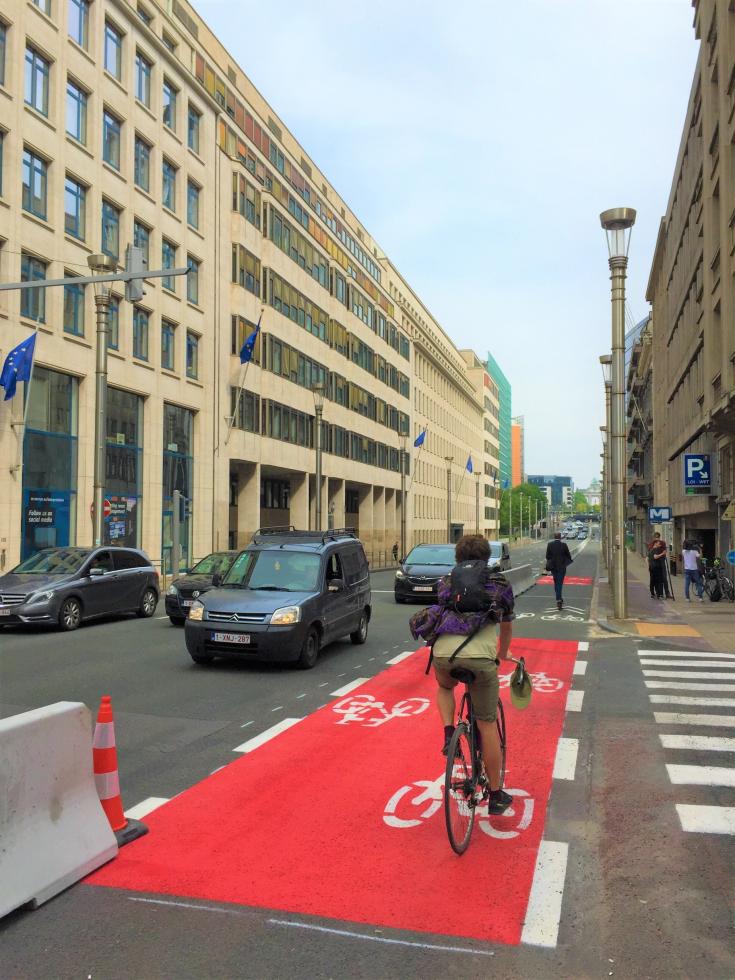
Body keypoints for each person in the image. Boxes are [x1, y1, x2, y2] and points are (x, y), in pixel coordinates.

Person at [409, 534, 515, 815]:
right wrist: (502, 655)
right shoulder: (499, 583)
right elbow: (506, 625)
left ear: (457, 558)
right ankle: (495, 794)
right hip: (481, 657)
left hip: (444, 654)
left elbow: (441, 609)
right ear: (486, 557)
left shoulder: (447, 581)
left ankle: (448, 732)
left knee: (445, 687)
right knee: (487, 724)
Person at [545, 532, 573, 610]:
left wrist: (552, 561)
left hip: (553, 568)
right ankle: (559, 600)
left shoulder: (550, 545)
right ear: (560, 537)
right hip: (561, 568)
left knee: (556, 582)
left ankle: (559, 597)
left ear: (554, 537)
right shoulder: (564, 545)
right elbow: (569, 556)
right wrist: (565, 563)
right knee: (559, 583)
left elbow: (547, 556)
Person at [647, 532, 668, 599]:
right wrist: (662, 554)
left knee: (660, 579)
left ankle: (660, 593)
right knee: (655, 580)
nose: (658, 542)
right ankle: (655, 593)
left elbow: (647, 558)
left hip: (658, 565)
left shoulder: (661, 543)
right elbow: (653, 556)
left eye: (658, 538)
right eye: (656, 539)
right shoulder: (652, 547)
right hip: (654, 566)